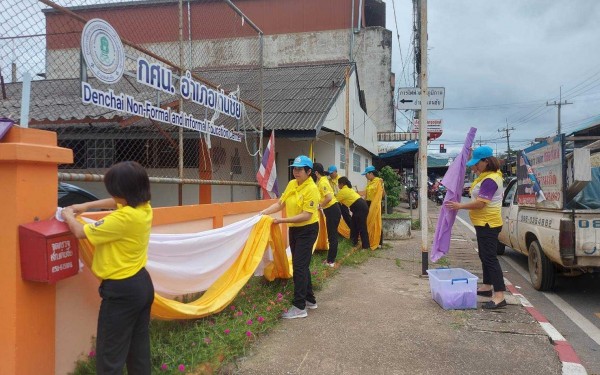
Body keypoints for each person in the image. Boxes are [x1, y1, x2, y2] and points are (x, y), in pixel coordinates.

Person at [61, 161, 155, 374]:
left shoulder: (122, 219)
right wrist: (86, 206)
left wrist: (68, 214)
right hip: (141, 285)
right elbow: (116, 202)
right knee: (137, 351)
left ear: (123, 192)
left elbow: (80, 232)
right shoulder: (143, 207)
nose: (111, 194)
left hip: (122, 291)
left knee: (110, 357)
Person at [445, 146, 506, 309]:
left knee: (490, 258)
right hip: (483, 223)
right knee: (485, 256)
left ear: (487, 161)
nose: (475, 167)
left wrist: (459, 206)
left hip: (488, 223)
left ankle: (499, 295)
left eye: (477, 163)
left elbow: (480, 203)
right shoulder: (486, 176)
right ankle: (487, 286)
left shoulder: (490, 180)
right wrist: (470, 153)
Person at [260, 155, 320, 319]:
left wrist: (281, 220)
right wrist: (263, 212)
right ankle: (310, 300)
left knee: (299, 266)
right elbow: (281, 203)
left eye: (300, 169)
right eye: (294, 168)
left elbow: (306, 216)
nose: (296, 172)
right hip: (295, 229)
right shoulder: (293, 184)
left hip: (308, 230)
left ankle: (299, 307)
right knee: (302, 265)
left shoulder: (312, 189)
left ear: (309, 172)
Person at [313, 163, 342, 267]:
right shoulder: (321, 181)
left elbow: (329, 197)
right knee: (332, 235)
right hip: (331, 210)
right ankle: (330, 259)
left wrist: (319, 205)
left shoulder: (323, 182)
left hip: (332, 210)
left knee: (332, 236)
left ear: (316, 173)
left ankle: (331, 261)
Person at [336, 176, 370, 249]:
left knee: (362, 227)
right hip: (360, 206)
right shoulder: (348, 189)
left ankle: (366, 246)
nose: (338, 186)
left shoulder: (343, 191)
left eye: (338, 184)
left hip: (360, 208)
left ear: (341, 184)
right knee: (353, 225)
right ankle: (353, 242)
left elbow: (334, 200)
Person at [362, 166, 384, 247]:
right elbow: (367, 194)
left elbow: (383, 194)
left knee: (377, 222)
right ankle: (370, 239)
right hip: (368, 203)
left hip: (375, 204)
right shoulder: (369, 183)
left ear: (371, 173)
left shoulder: (379, 181)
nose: (365, 176)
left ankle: (379, 242)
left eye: (366, 174)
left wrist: (382, 185)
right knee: (369, 221)